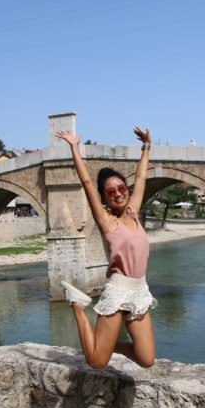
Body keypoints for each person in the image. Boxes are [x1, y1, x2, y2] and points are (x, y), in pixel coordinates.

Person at [54, 126, 157, 369]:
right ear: (105, 197)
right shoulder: (106, 222)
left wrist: (146, 147)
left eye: (122, 188)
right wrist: (74, 147)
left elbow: (141, 177)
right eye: (111, 192)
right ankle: (77, 304)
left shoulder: (133, 212)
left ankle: (109, 344)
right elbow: (87, 181)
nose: (119, 194)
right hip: (119, 290)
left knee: (147, 359)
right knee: (97, 361)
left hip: (140, 289)